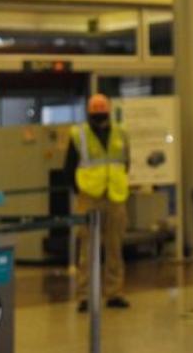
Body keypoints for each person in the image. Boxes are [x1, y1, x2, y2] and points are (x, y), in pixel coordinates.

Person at [63, 93, 131, 311]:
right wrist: (81, 190)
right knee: (87, 249)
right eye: (95, 107)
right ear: (88, 111)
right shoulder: (78, 134)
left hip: (115, 196)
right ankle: (85, 296)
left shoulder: (121, 132)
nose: (99, 110)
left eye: (102, 106)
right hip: (89, 197)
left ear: (109, 108)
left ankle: (114, 293)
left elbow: (125, 163)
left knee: (115, 248)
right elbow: (68, 168)